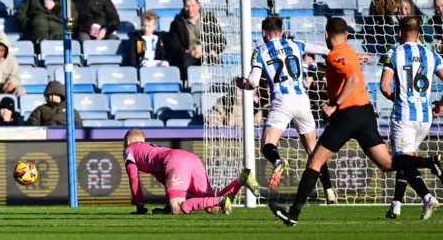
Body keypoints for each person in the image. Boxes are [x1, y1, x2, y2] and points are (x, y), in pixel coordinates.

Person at [269, 17, 443, 227]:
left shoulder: (335, 55)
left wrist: (334, 103)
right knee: (387, 163)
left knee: (314, 161)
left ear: (326, 35)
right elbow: (349, 68)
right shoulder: (349, 51)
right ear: (347, 36)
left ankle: (293, 214)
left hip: (347, 116)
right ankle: (429, 162)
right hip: (366, 113)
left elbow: (353, 79)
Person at [234, 17, 336, 203]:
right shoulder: (295, 43)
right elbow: (325, 51)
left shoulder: (260, 51)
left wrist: (245, 83)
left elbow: (254, 82)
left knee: (267, 144)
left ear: (264, 33)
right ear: (281, 32)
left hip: (282, 101)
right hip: (302, 101)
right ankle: (329, 191)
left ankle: (277, 162)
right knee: (314, 152)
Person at [381, 16, 443, 220]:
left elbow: (384, 86)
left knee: (401, 160)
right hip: (425, 119)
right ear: (419, 33)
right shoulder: (432, 54)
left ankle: (427, 197)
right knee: (406, 160)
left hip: (404, 115)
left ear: (400, 32)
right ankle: (396, 205)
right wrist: (441, 104)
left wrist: (395, 97)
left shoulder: (394, 53)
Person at [123, 129, 259, 215]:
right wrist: (166, 209)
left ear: (128, 140)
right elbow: (167, 181)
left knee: (177, 208)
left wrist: (139, 206)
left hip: (176, 160)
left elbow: (134, 178)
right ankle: (241, 180)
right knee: (213, 208)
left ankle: (222, 199)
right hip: (191, 158)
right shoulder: (149, 150)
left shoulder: (129, 149)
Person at [166, 0, 226, 80]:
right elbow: (174, 46)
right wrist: (189, 52)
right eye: (187, 6)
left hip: (206, 53)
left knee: (214, 61)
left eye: (193, 6)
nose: (190, 9)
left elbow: (221, 41)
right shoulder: (177, 23)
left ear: (198, 5)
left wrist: (207, 50)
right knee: (184, 62)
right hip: (187, 55)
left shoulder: (209, 20)